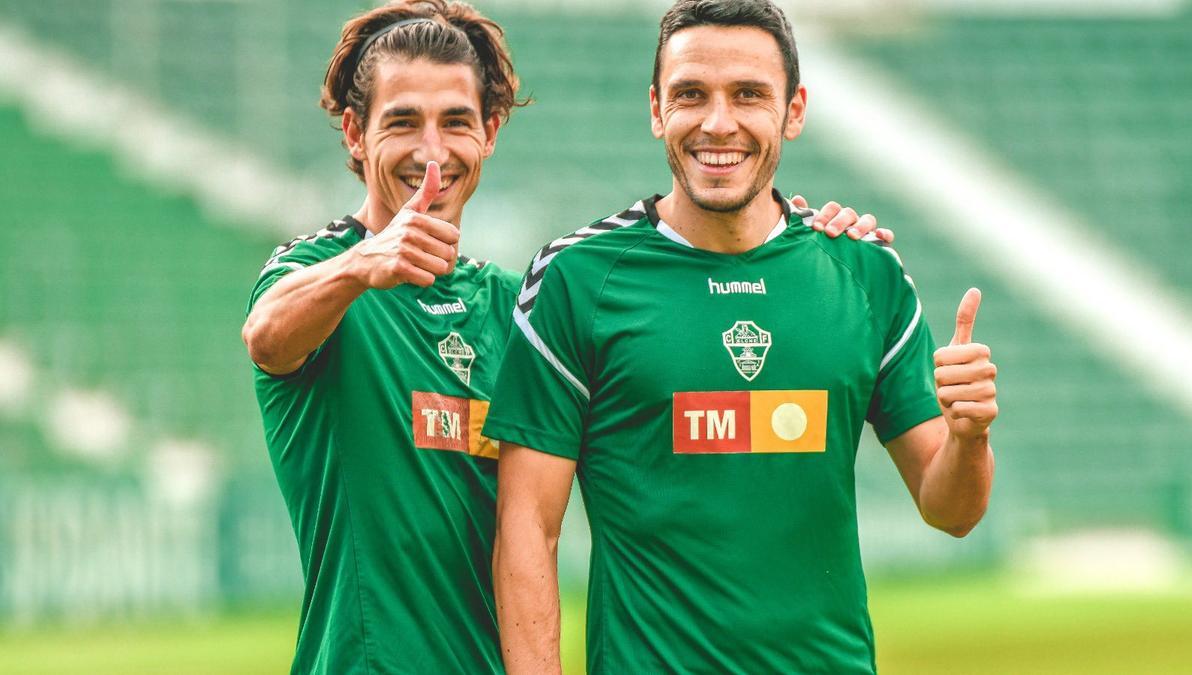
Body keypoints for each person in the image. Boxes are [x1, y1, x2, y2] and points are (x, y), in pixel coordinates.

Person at [241, 1, 882, 672]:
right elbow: (267, 336)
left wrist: (797, 243)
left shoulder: (512, 306)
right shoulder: (320, 275)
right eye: (403, 122)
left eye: (455, 122)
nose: (432, 150)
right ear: (353, 132)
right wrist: (363, 264)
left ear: (489, 132)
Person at [484, 0, 998, 673]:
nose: (718, 122)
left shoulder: (865, 272)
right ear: (655, 109)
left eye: (749, 95)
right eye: (690, 94)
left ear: (794, 110)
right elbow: (526, 527)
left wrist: (969, 436)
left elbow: (953, 509)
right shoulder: (577, 280)